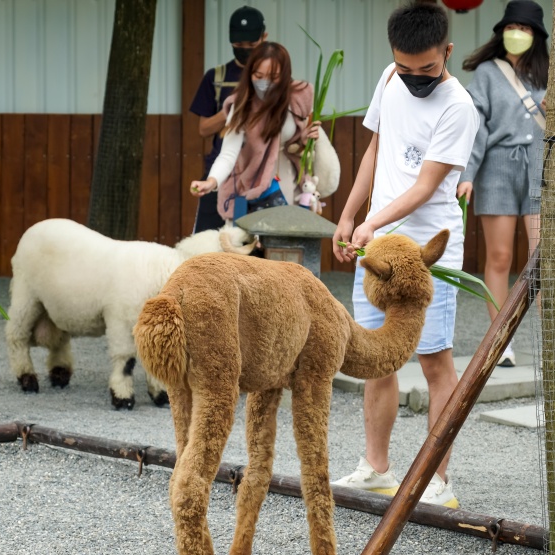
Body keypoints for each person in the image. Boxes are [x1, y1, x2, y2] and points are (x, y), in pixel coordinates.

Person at [330, 2, 479, 507]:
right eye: (405, 67)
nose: (414, 77)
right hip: (376, 246)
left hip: (426, 253)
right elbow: (376, 150)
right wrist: (350, 214)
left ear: (448, 53)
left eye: (428, 69)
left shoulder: (458, 107)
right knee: (377, 357)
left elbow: (427, 184)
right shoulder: (389, 79)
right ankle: (376, 467)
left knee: (435, 362)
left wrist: (371, 222)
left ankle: (438, 480)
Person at [457, 0, 548, 367]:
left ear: (536, 36)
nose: (517, 33)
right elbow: (475, 129)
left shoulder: (550, 72)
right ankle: (501, 340)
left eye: (525, 28)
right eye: (512, 27)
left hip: (542, 168)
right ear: (502, 32)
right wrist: (466, 175)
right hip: (496, 168)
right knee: (499, 257)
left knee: (542, 258)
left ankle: (551, 340)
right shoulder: (486, 73)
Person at [189, 42, 320, 221]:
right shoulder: (241, 105)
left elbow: (298, 142)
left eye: (273, 77)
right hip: (253, 187)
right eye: (258, 75)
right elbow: (228, 154)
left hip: (290, 186)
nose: (264, 82)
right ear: (249, 73)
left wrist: (305, 138)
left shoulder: (299, 99)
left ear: (285, 76)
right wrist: (211, 182)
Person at [188, 6, 268, 232]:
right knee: (207, 240)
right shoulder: (216, 78)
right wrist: (230, 109)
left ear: (264, 38)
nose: (244, 51)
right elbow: (203, 129)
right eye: (238, 46)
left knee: (249, 246)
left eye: (251, 46)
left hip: (259, 177)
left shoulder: (273, 80)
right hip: (220, 172)